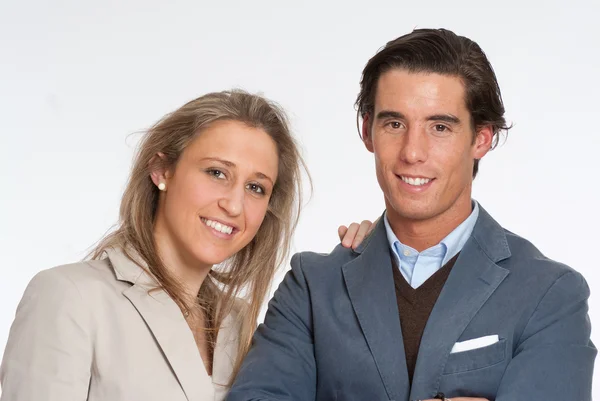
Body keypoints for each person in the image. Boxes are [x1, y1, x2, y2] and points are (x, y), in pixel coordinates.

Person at [227, 29, 596, 401]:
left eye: (439, 127)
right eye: (394, 124)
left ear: (481, 138)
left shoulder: (550, 294)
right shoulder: (312, 288)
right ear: (367, 131)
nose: (412, 152)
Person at [0, 90, 374, 401]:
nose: (234, 204)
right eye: (216, 173)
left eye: (255, 187)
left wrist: (373, 269)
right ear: (162, 170)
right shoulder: (70, 298)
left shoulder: (242, 325)